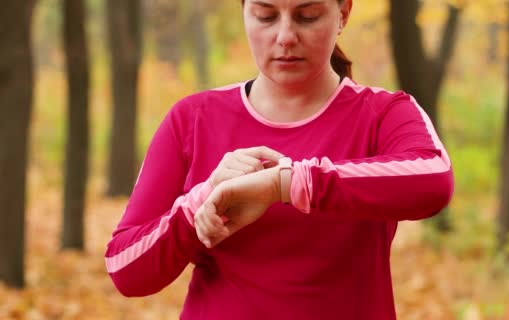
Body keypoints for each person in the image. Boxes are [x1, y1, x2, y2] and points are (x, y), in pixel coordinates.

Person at [105, 0, 454, 319]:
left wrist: (285, 184)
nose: (285, 37)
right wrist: (199, 202)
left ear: (343, 14)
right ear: (244, 14)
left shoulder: (383, 113)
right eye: (266, 16)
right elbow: (126, 270)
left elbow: (434, 178)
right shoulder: (193, 118)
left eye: (307, 16)